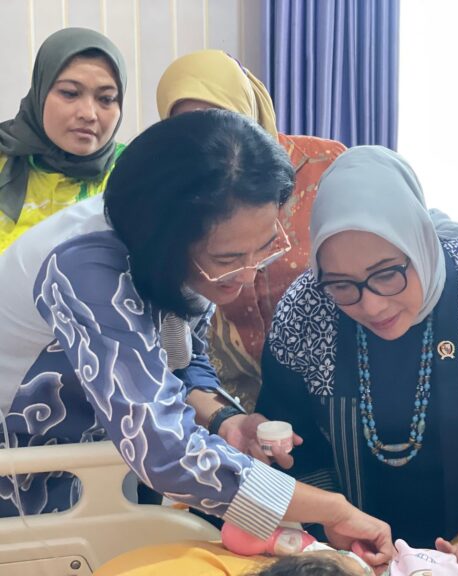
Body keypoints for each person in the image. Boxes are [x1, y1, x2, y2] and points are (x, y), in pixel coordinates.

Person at [0, 110, 393, 569]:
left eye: (264, 248)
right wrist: (331, 509)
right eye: (228, 258)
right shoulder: (84, 269)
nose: (247, 276)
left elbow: (182, 359)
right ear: (166, 241)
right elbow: (165, 451)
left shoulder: (187, 256)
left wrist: (227, 419)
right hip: (22, 473)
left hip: (92, 465)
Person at [256, 146, 458, 566]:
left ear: (420, 242)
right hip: (345, 553)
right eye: (341, 284)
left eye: (387, 274)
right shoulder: (306, 311)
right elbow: (295, 446)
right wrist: (334, 537)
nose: (371, 305)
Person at [156, 50, 346, 414]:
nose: (211, 139)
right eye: (189, 127)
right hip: (223, 397)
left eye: (222, 118)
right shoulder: (177, 195)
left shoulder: (324, 166)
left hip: (326, 389)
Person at [0, 27, 126, 252]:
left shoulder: (131, 174)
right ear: (40, 92)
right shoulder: (4, 157)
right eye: (70, 93)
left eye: (106, 99)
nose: (88, 114)